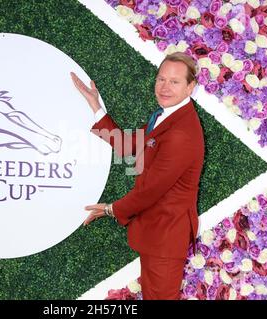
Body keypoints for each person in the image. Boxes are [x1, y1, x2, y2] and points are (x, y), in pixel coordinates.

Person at [70, 52, 204, 300]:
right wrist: (96, 106)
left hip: (166, 234)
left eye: (174, 82)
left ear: (190, 87)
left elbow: (151, 190)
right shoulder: (167, 116)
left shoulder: (181, 132)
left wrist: (111, 209)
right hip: (157, 232)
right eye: (161, 79)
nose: (164, 87)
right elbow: (129, 146)